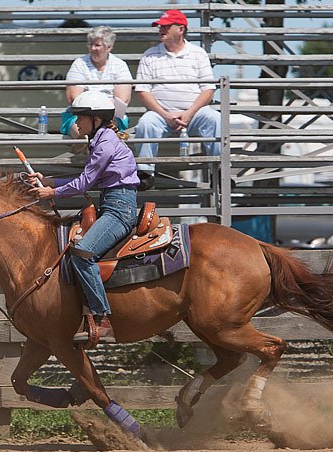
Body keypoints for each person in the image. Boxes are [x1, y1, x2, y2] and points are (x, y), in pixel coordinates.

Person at [29, 92, 139, 344]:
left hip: (118, 209)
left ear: (96, 119)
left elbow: (85, 182)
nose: (76, 123)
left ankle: (102, 318)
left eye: (81, 118)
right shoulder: (103, 140)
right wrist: (49, 181)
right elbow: (86, 179)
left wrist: (52, 191)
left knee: (83, 253)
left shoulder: (105, 144)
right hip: (113, 203)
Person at [133, 9, 221, 185]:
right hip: (161, 115)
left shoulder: (198, 54)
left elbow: (208, 90)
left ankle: (219, 172)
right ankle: (145, 173)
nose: (161, 30)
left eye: (166, 26)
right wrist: (166, 115)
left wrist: (189, 113)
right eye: (160, 26)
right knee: (146, 123)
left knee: (216, 119)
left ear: (180, 29)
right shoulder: (150, 54)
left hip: (195, 113)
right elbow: (142, 91)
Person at [62, 26, 133, 139]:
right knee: (83, 129)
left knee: (105, 131)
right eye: (90, 44)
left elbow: (123, 99)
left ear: (109, 47)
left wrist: (102, 117)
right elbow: (73, 97)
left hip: (111, 116)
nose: (92, 48)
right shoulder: (79, 64)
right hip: (81, 115)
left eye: (97, 45)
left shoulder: (120, 65)